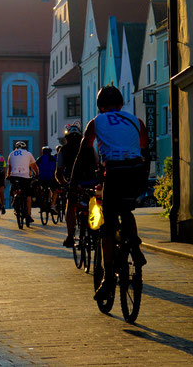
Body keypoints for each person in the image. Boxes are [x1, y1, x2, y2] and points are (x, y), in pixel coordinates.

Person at [72, 86, 149, 301]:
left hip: (114, 172)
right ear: (121, 104)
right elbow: (144, 148)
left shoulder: (96, 122)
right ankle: (134, 245)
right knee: (126, 209)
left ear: (100, 106)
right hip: (136, 171)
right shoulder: (136, 121)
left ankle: (107, 280)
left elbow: (84, 151)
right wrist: (144, 179)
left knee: (107, 226)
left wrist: (73, 181)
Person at [56, 122, 97, 247]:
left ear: (66, 138)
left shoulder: (63, 150)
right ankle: (97, 231)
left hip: (73, 183)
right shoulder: (90, 148)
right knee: (96, 204)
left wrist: (63, 183)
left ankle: (70, 236)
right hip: (91, 182)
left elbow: (58, 172)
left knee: (70, 207)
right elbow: (97, 163)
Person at [7, 141, 39, 225]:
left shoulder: (11, 154)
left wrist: (8, 175)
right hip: (25, 177)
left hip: (14, 176)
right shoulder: (28, 154)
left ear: (16, 147)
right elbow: (34, 166)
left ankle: (15, 199)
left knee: (14, 187)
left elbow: (9, 168)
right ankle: (28, 214)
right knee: (28, 195)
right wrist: (37, 174)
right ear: (25, 148)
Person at [36, 146, 59, 215]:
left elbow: (35, 167)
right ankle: (52, 206)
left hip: (42, 178)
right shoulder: (53, 158)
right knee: (55, 190)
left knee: (44, 189)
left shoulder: (39, 159)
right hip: (52, 178)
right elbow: (57, 167)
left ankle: (44, 203)